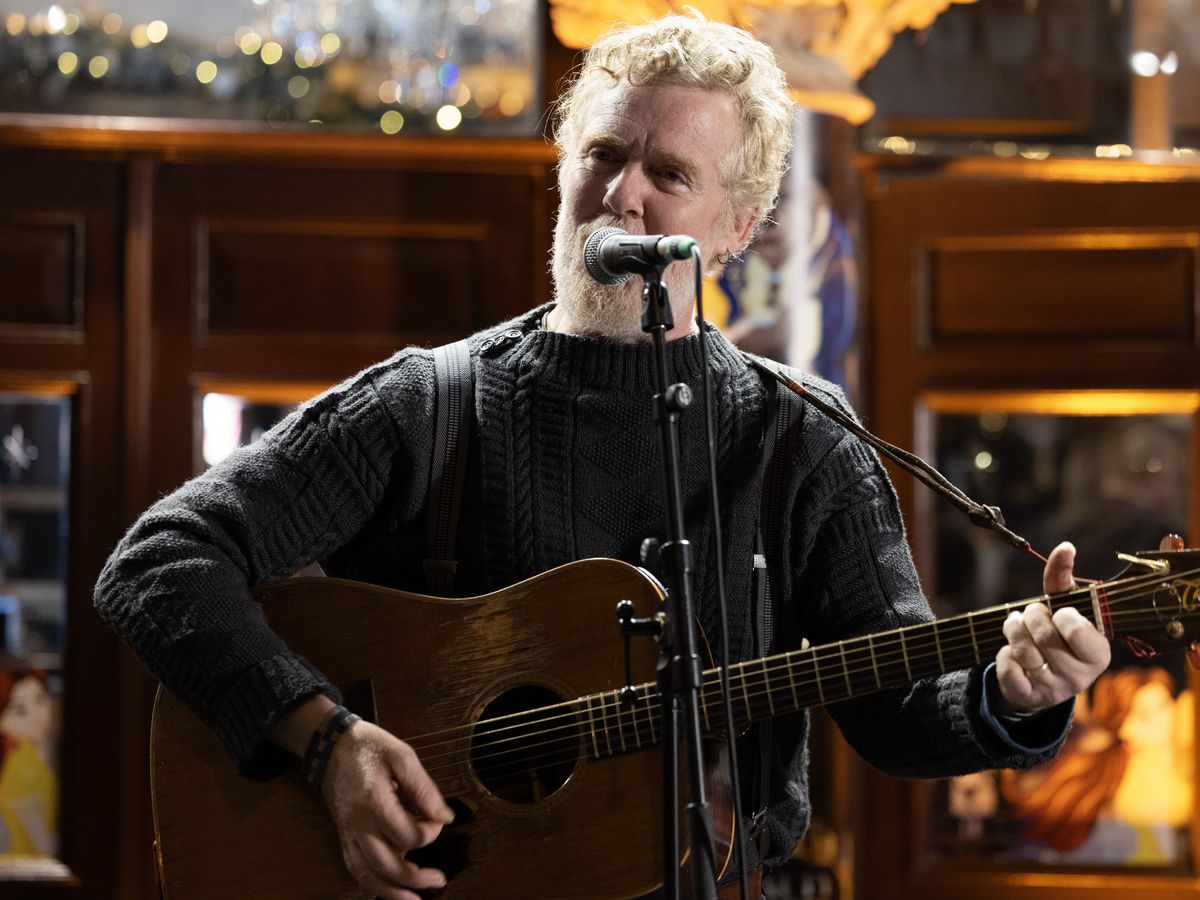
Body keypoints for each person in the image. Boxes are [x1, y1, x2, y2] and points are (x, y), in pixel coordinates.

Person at [94, 13, 1110, 900]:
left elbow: (896, 715)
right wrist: (325, 742)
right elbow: (158, 560)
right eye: (602, 155)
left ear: (734, 230)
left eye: (670, 175)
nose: (622, 195)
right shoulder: (429, 405)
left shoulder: (803, 436)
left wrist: (1016, 694)